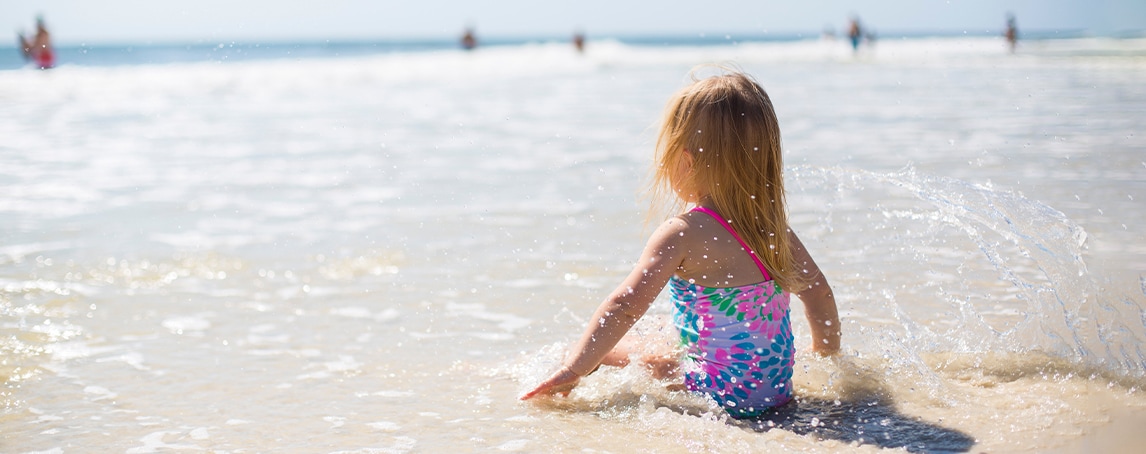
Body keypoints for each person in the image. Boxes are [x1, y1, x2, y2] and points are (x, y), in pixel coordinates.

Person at [520, 69, 841, 419]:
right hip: (775, 395)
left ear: (685, 161)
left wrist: (576, 368)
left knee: (603, 352)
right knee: (661, 328)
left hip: (715, 396)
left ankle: (534, 372)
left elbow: (624, 306)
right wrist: (826, 358)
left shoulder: (683, 233)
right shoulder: (775, 231)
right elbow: (819, 293)